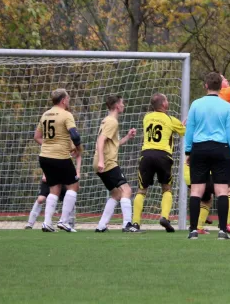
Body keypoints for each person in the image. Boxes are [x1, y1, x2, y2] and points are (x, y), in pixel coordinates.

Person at [185, 72, 230, 240]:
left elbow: (190, 129)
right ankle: (222, 231)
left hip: (199, 148)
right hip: (220, 148)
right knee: (222, 191)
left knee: (196, 191)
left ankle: (193, 230)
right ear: (221, 87)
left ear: (206, 86)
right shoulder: (226, 106)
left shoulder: (196, 104)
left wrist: (188, 151)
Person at [133, 93, 185, 232]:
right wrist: (182, 124)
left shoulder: (146, 118)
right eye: (166, 100)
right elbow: (183, 131)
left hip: (146, 154)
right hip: (163, 155)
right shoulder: (170, 119)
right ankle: (164, 217)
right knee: (166, 188)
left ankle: (136, 223)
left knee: (141, 190)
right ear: (164, 104)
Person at [34, 89, 82, 233]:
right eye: (68, 98)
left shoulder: (45, 115)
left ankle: (47, 223)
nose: (69, 101)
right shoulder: (66, 115)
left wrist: (49, 145)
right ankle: (64, 221)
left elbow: (37, 136)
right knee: (73, 186)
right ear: (63, 100)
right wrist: (78, 148)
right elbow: (74, 135)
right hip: (60, 156)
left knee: (54, 188)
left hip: (45, 157)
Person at [93, 95, 140, 233]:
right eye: (122, 103)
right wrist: (102, 160)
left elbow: (112, 144)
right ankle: (127, 225)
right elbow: (100, 141)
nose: (124, 105)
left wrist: (127, 137)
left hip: (101, 162)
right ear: (117, 106)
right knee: (127, 191)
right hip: (107, 162)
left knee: (116, 194)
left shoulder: (107, 120)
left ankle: (101, 225)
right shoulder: (112, 122)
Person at [25, 141, 81, 230]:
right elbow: (48, 159)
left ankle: (69, 223)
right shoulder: (52, 142)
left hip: (65, 176)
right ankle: (30, 224)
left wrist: (78, 171)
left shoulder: (70, 142)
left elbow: (78, 155)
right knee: (41, 199)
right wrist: (45, 174)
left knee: (70, 196)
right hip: (52, 174)